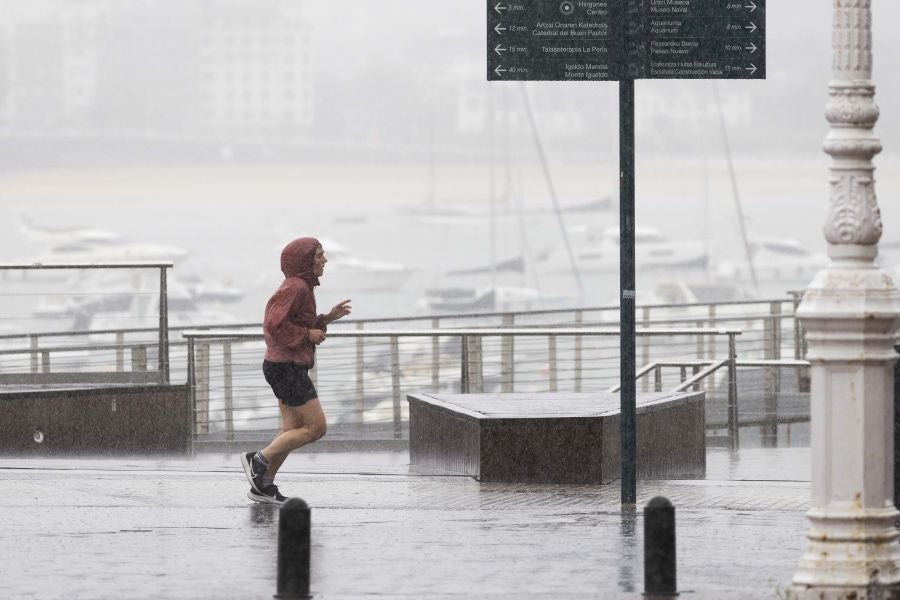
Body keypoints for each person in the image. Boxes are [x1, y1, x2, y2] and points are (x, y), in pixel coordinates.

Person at [241, 237, 351, 505]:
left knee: (292, 428)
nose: (324, 260)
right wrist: (307, 334)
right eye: (319, 255)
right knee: (316, 427)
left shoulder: (301, 288)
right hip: (285, 367)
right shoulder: (296, 287)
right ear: (304, 261)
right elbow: (274, 326)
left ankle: (263, 486)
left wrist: (325, 320)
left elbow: (296, 323)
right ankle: (258, 459)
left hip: (284, 365)